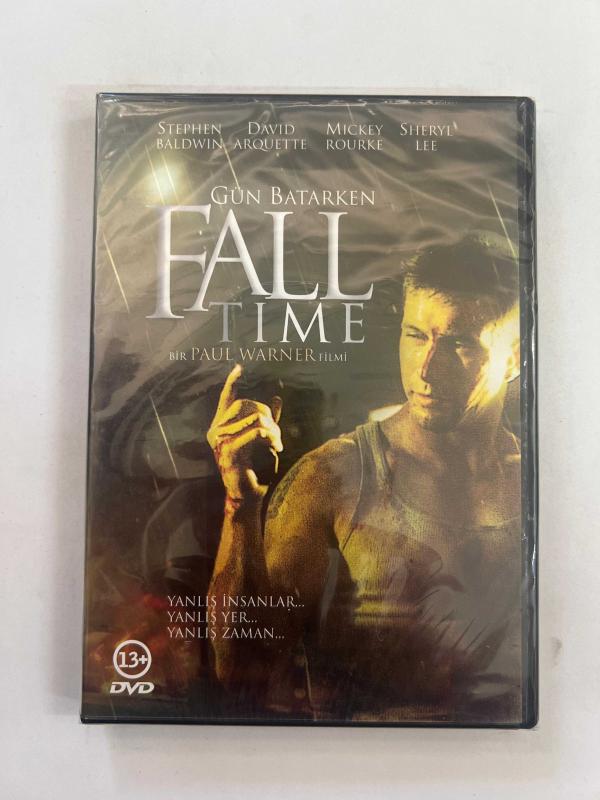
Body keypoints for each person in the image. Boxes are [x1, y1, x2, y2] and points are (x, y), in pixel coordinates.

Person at [206, 234, 523, 724]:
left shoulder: (537, 488)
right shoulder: (334, 478)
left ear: (515, 357)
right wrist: (241, 505)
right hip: (360, 765)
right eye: (415, 335)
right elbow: (242, 674)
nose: (426, 369)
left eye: (459, 343)